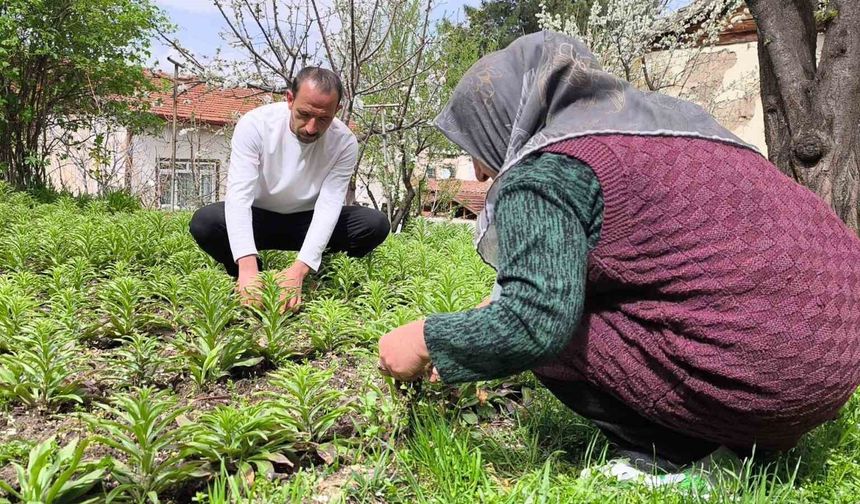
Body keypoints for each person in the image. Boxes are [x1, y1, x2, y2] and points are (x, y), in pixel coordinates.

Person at [377, 31, 860, 477]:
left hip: (769, 380)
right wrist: (476, 336)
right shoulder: (668, 129)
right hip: (836, 364)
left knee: (557, 331)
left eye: (474, 144)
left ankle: (679, 460)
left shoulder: (548, 169)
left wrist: (425, 339)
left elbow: (533, 322)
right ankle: (744, 439)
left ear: (501, 123)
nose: (481, 175)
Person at [190, 67, 389, 309]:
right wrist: (247, 266)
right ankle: (251, 276)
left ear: (337, 111)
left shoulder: (344, 142)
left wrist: (300, 268)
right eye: (304, 114)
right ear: (289, 99)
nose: (312, 128)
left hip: (306, 221)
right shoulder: (255, 125)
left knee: (374, 224)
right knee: (206, 222)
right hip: (259, 218)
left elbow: (329, 204)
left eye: (324, 118)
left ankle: (313, 268)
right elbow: (239, 197)